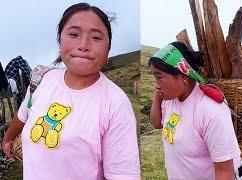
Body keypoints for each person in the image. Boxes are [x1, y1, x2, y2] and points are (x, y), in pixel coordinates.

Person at [2, 3, 140, 180]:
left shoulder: (115, 103)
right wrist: (7, 139)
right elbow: (23, 115)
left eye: (96, 38)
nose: (83, 45)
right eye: (74, 34)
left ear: (108, 49)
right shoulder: (42, 80)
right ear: (60, 40)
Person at [149, 41, 242, 180]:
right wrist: (160, 91)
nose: (156, 85)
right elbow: (156, 122)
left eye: (159, 76)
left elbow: (225, 172)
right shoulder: (172, 98)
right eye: (154, 77)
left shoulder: (211, 110)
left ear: (184, 76)